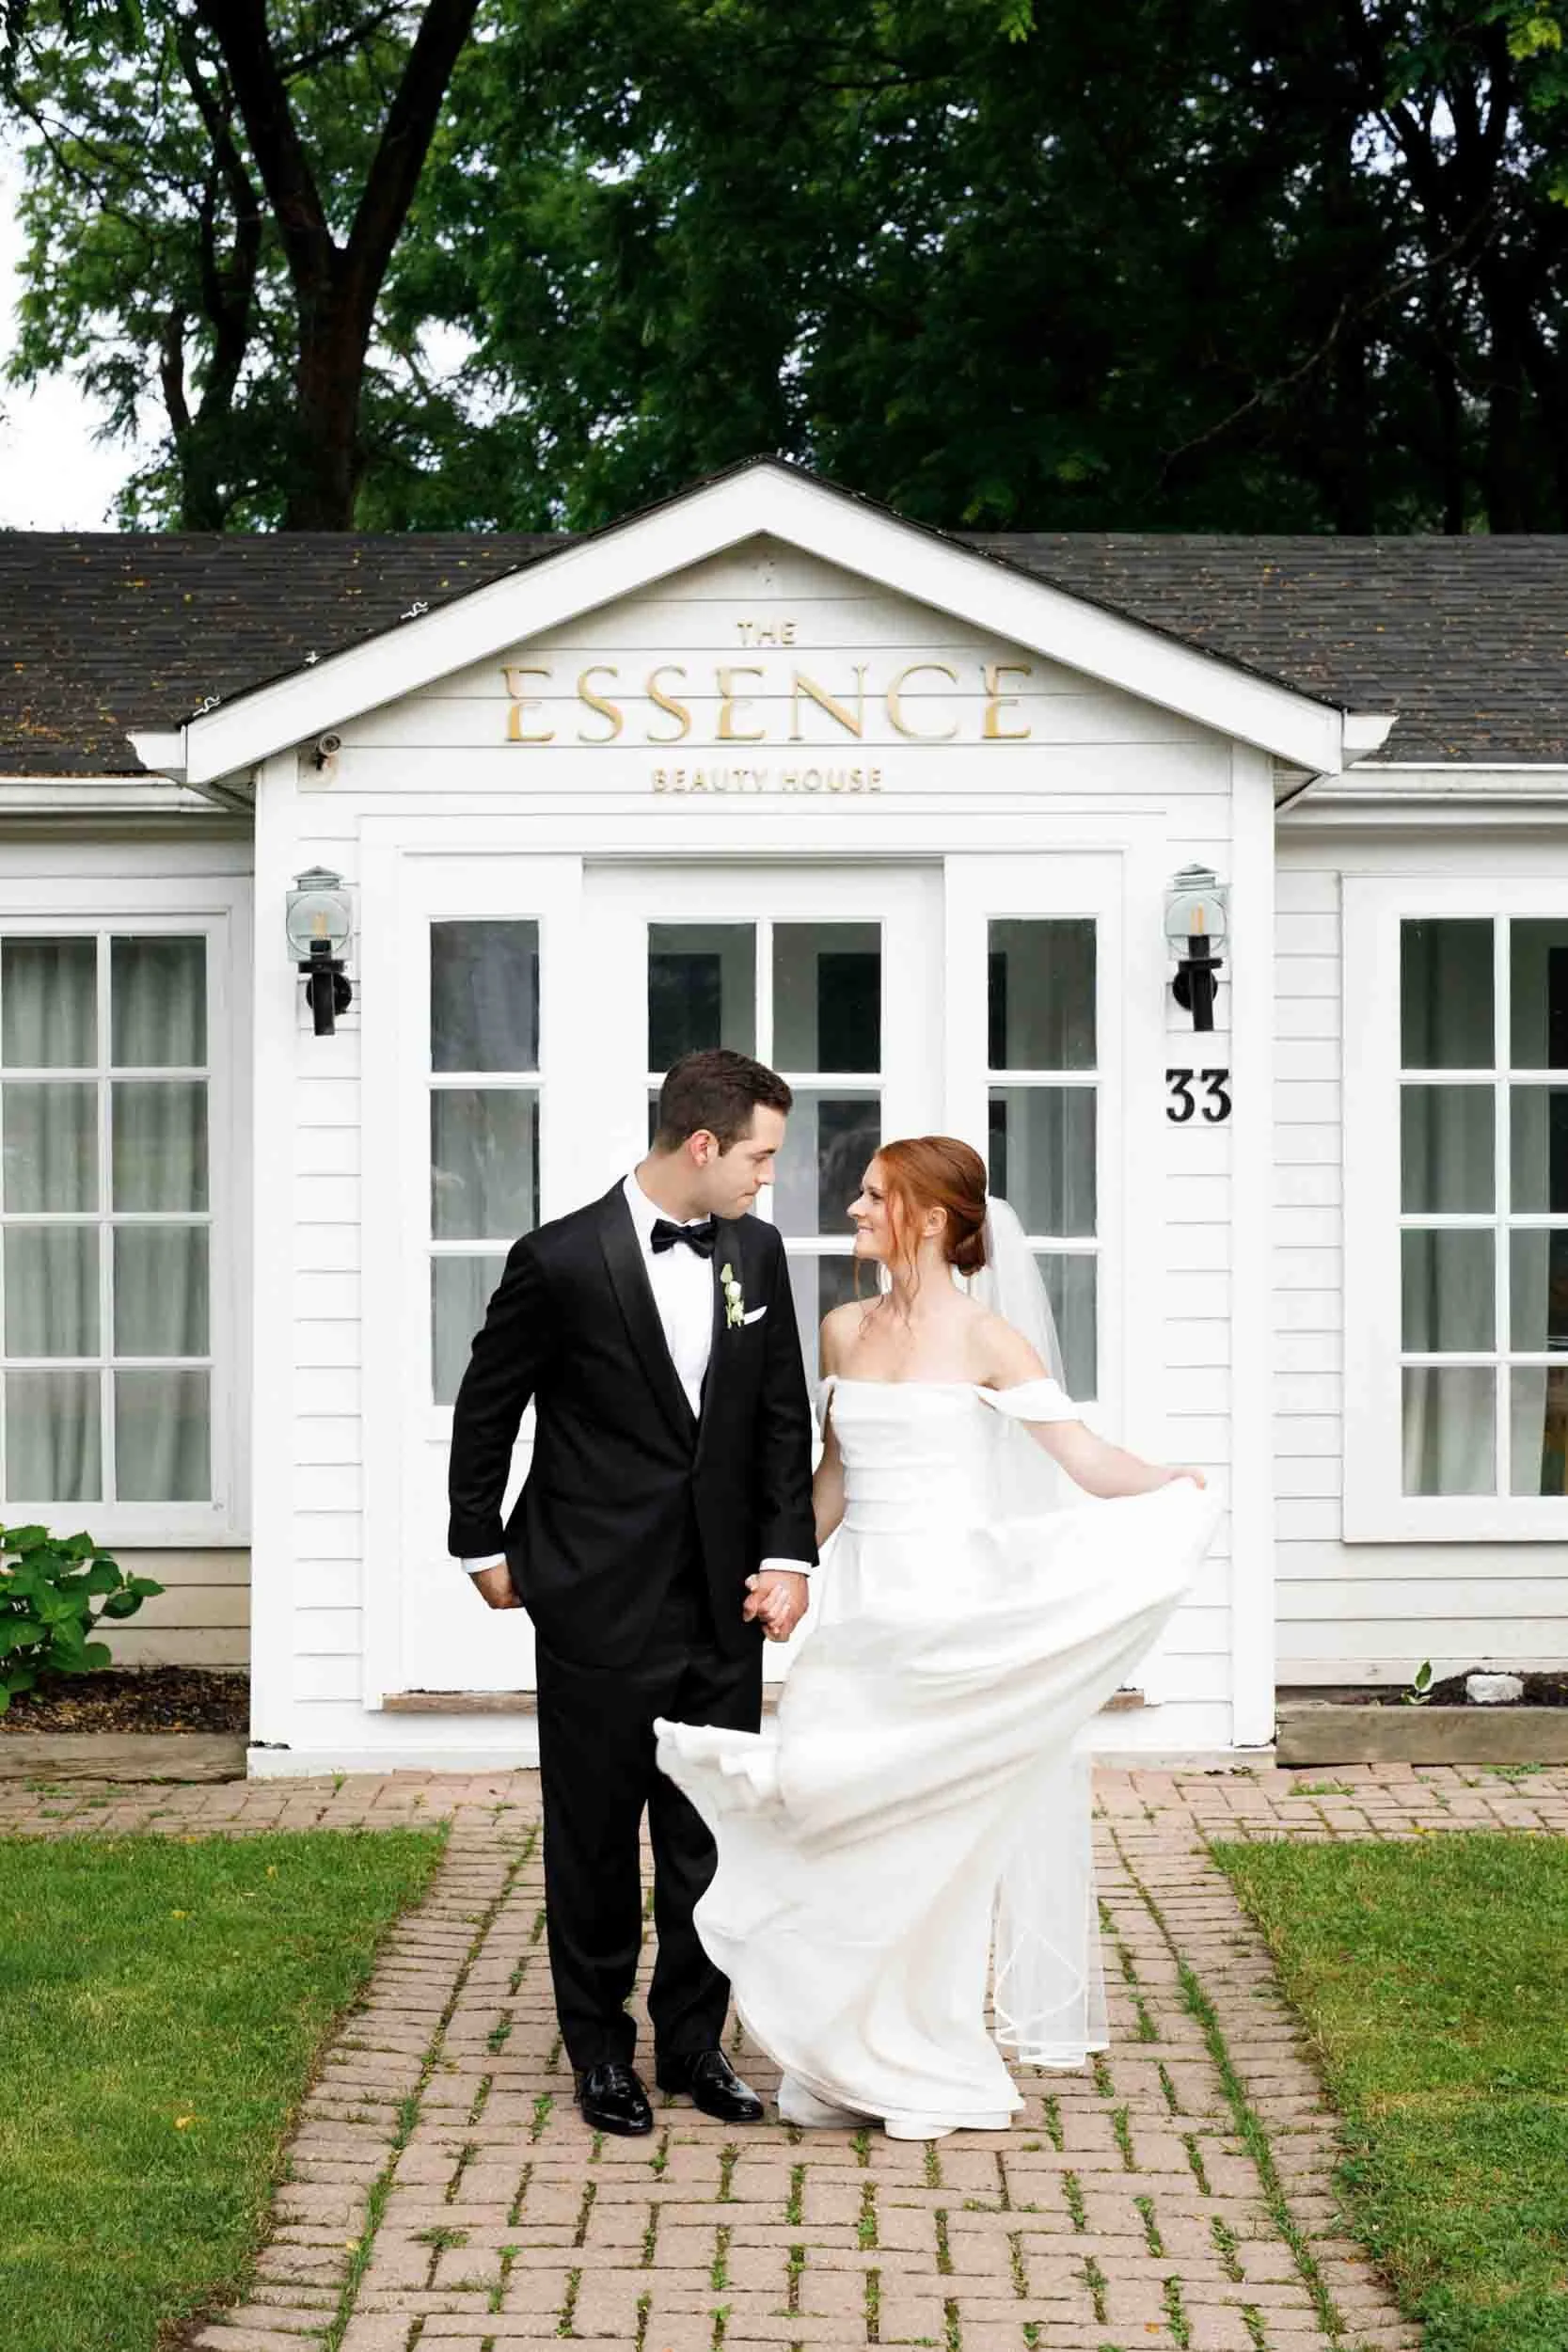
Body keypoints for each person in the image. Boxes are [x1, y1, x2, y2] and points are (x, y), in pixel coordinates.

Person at [655, 1136, 1221, 2141]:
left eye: (875, 1196)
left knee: (932, 1842)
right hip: (864, 1609)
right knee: (835, 1807)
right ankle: (841, 2046)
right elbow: (834, 1474)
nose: (855, 1207)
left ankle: (925, 2052)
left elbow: (1079, 1456)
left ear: (926, 1217)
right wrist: (784, 1564)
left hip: (950, 1607)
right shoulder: (839, 1328)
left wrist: (1172, 1489)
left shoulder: (988, 1341)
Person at [447, 1048, 816, 2137]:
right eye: (758, 1156)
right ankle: (599, 2051)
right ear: (701, 1145)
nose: (766, 1180)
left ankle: (694, 2045)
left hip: (720, 1602)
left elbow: (780, 1412)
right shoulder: (557, 1259)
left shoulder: (755, 1248)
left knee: (708, 1834)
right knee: (596, 1836)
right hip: (592, 1593)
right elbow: (487, 1407)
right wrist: (481, 1545)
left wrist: (786, 1557)